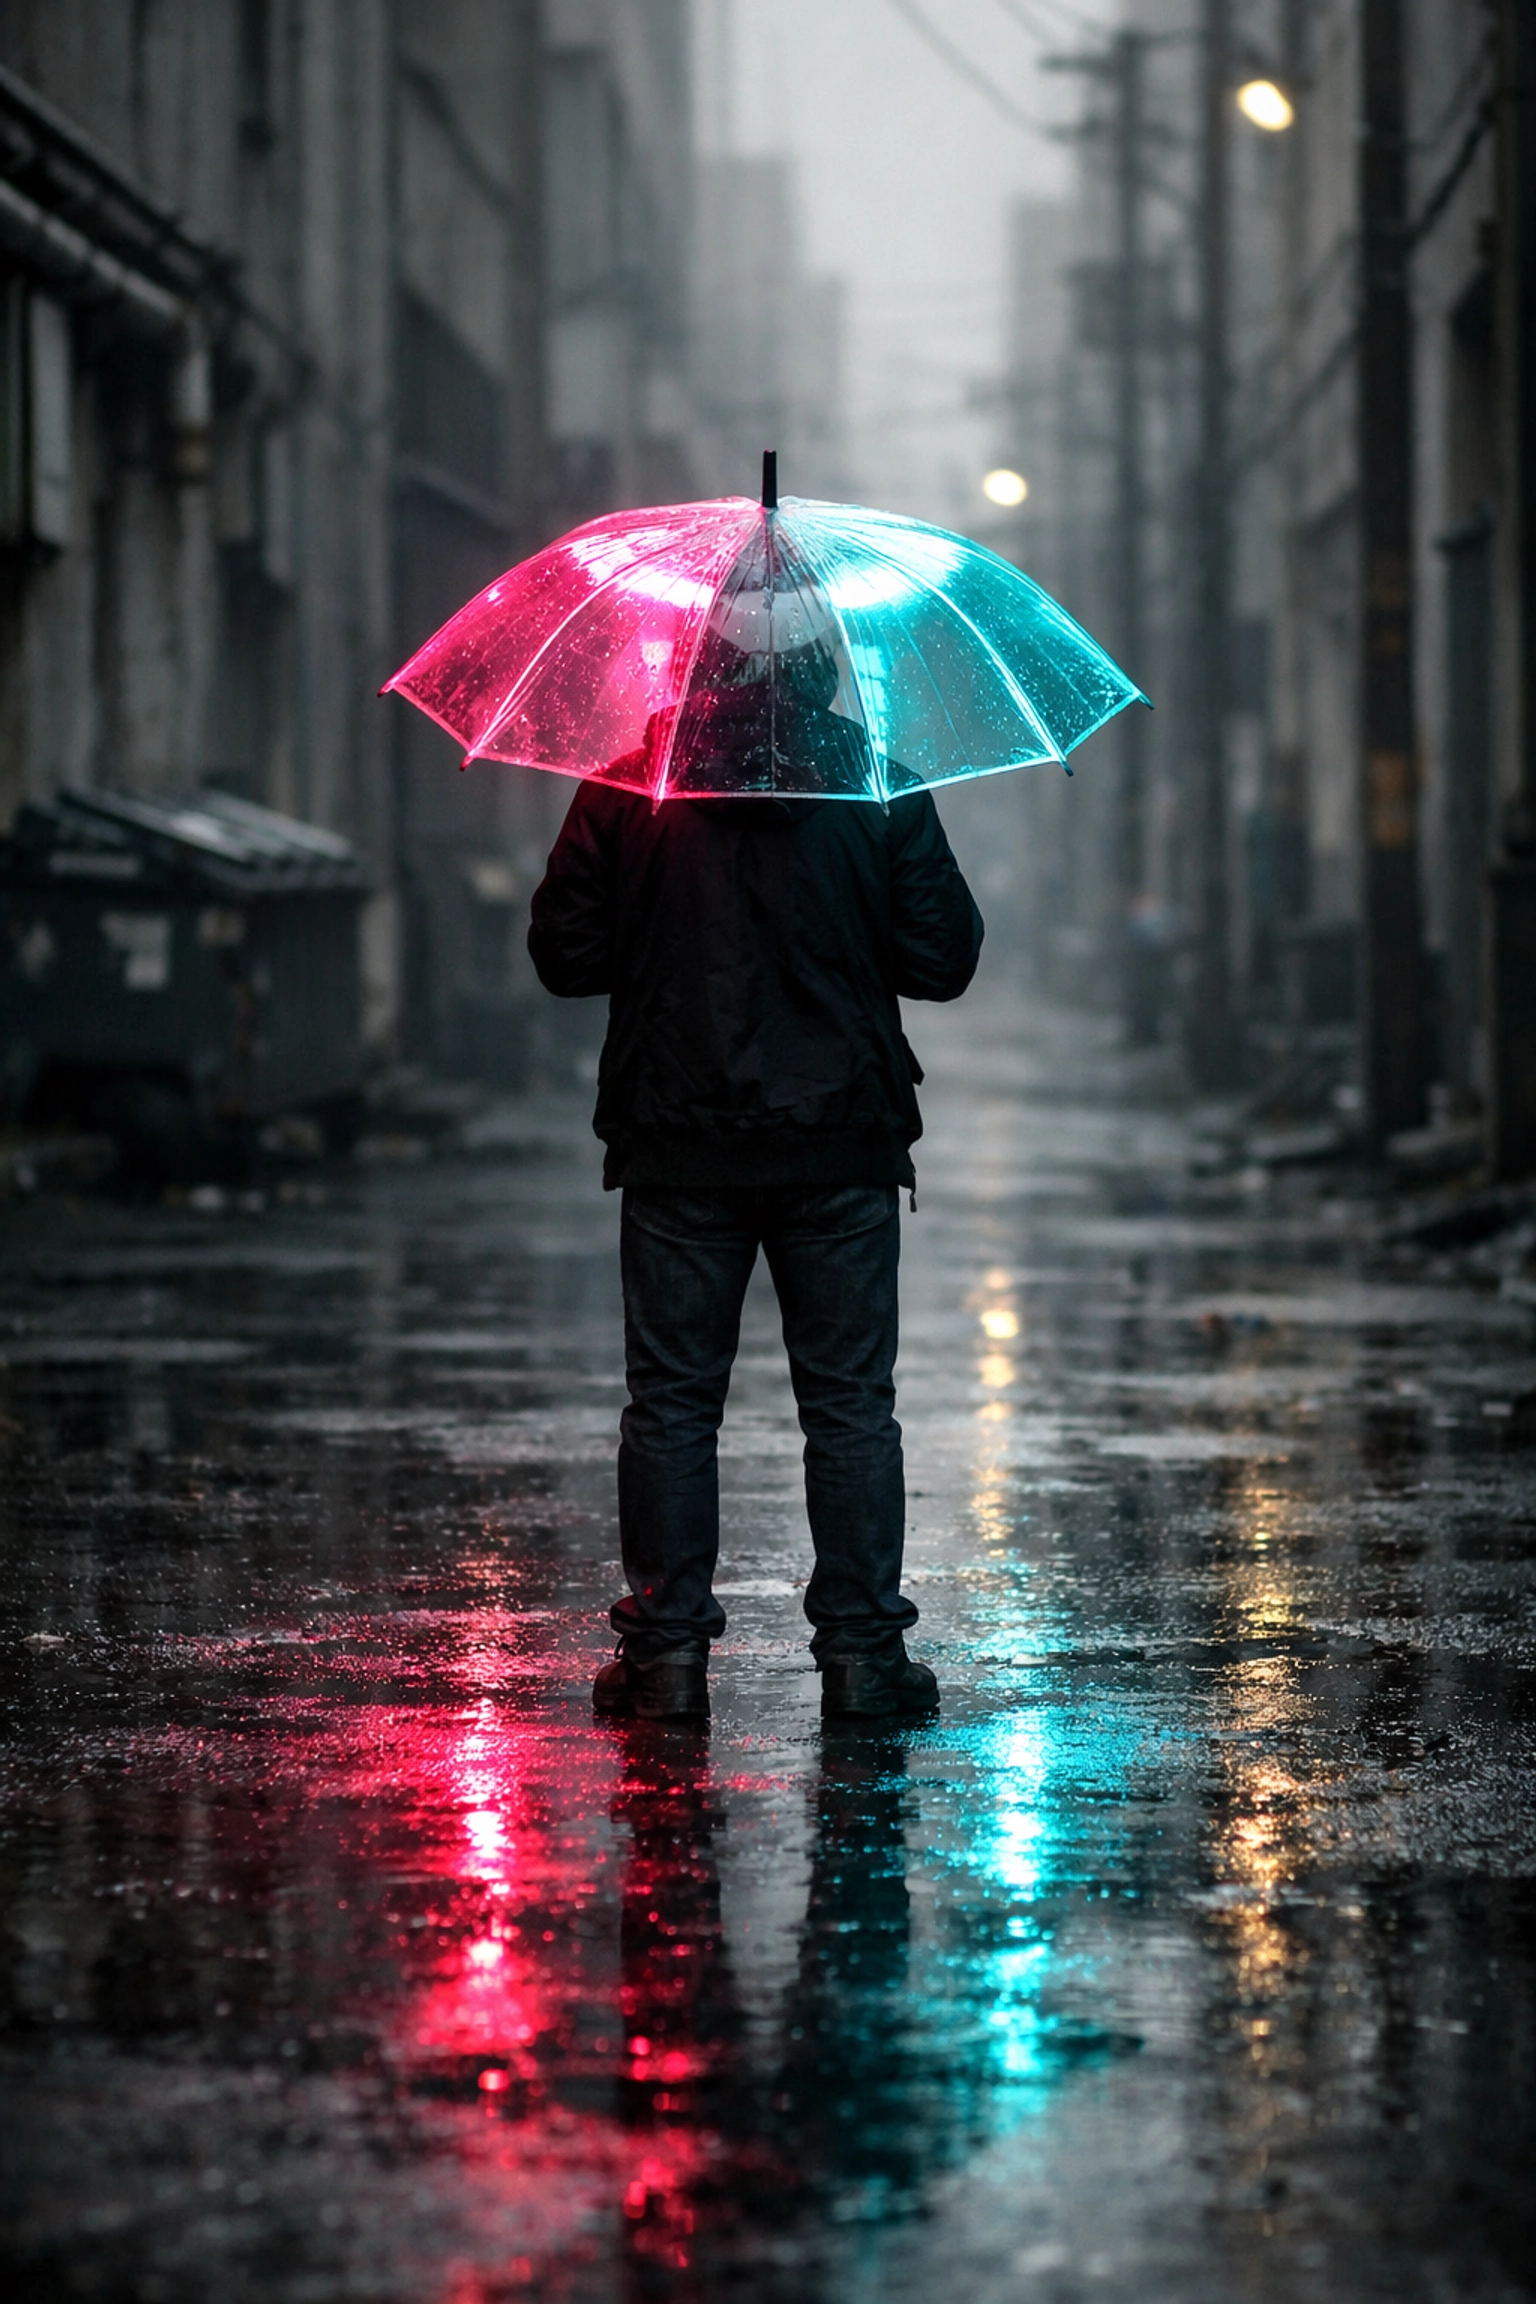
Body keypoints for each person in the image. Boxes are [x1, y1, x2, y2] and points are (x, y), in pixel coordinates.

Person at [527, 624, 983, 1726]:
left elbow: (563, 956)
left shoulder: (633, 783)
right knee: (850, 1409)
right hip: (839, 1138)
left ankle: (666, 1662)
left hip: (679, 1138)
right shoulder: (874, 782)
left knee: (674, 1406)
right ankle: (865, 1660)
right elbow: (944, 958)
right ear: (818, 669)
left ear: (693, 668)